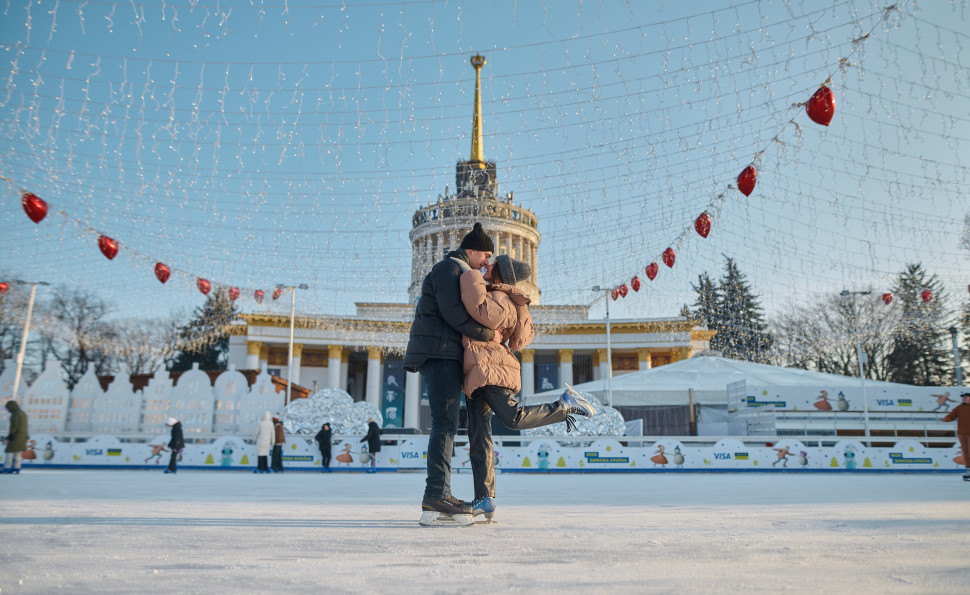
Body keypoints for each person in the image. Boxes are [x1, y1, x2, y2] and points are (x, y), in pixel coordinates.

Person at [459, 254, 596, 521]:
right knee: (478, 437)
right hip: (477, 371)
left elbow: (481, 311)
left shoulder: (501, 297)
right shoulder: (501, 295)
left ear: (500, 273)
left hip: (490, 368)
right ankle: (485, 498)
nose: (486, 265)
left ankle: (564, 405)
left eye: (492, 264)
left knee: (513, 417)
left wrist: (470, 274)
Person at [404, 222, 502, 526]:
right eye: (485, 254)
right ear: (470, 250)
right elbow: (452, 313)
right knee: (444, 424)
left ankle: (439, 494)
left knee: (446, 424)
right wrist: (487, 333)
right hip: (439, 353)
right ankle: (436, 494)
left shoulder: (460, 272)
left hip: (444, 352)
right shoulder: (448, 268)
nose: (487, 261)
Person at [942, 392, 970, 480]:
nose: (964, 399)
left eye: (966, 397)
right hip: (962, 433)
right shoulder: (959, 408)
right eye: (963, 397)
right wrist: (946, 418)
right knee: (965, 453)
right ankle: (968, 470)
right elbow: (952, 416)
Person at [3, 400, 28, 474]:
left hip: (15, 436)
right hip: (22, 436)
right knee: (18, 453)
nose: (7, 410)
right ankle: (17, 467)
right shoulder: (22, 413)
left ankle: (7, 467)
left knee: (9, 451)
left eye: (8, 408)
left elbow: (15, 425)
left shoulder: (15, 414)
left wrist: (10, 434)